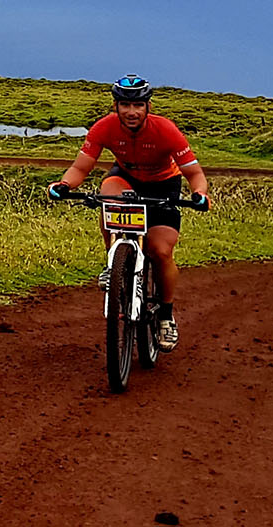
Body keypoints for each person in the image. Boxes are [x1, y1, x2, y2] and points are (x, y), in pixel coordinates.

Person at [48, 75, 210, 352]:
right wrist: (63, 185)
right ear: (116, 106)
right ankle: (113, 262)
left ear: (148, 106)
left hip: (163, 187)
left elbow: (195, 174)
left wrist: (200, 194)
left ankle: (166, 316)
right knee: (107, 195)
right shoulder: (104, 127)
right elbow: (80, 168)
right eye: (125, 105)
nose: (131, 112)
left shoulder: (166, 130)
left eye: (138, 106)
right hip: (126, 179)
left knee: (160, 252)